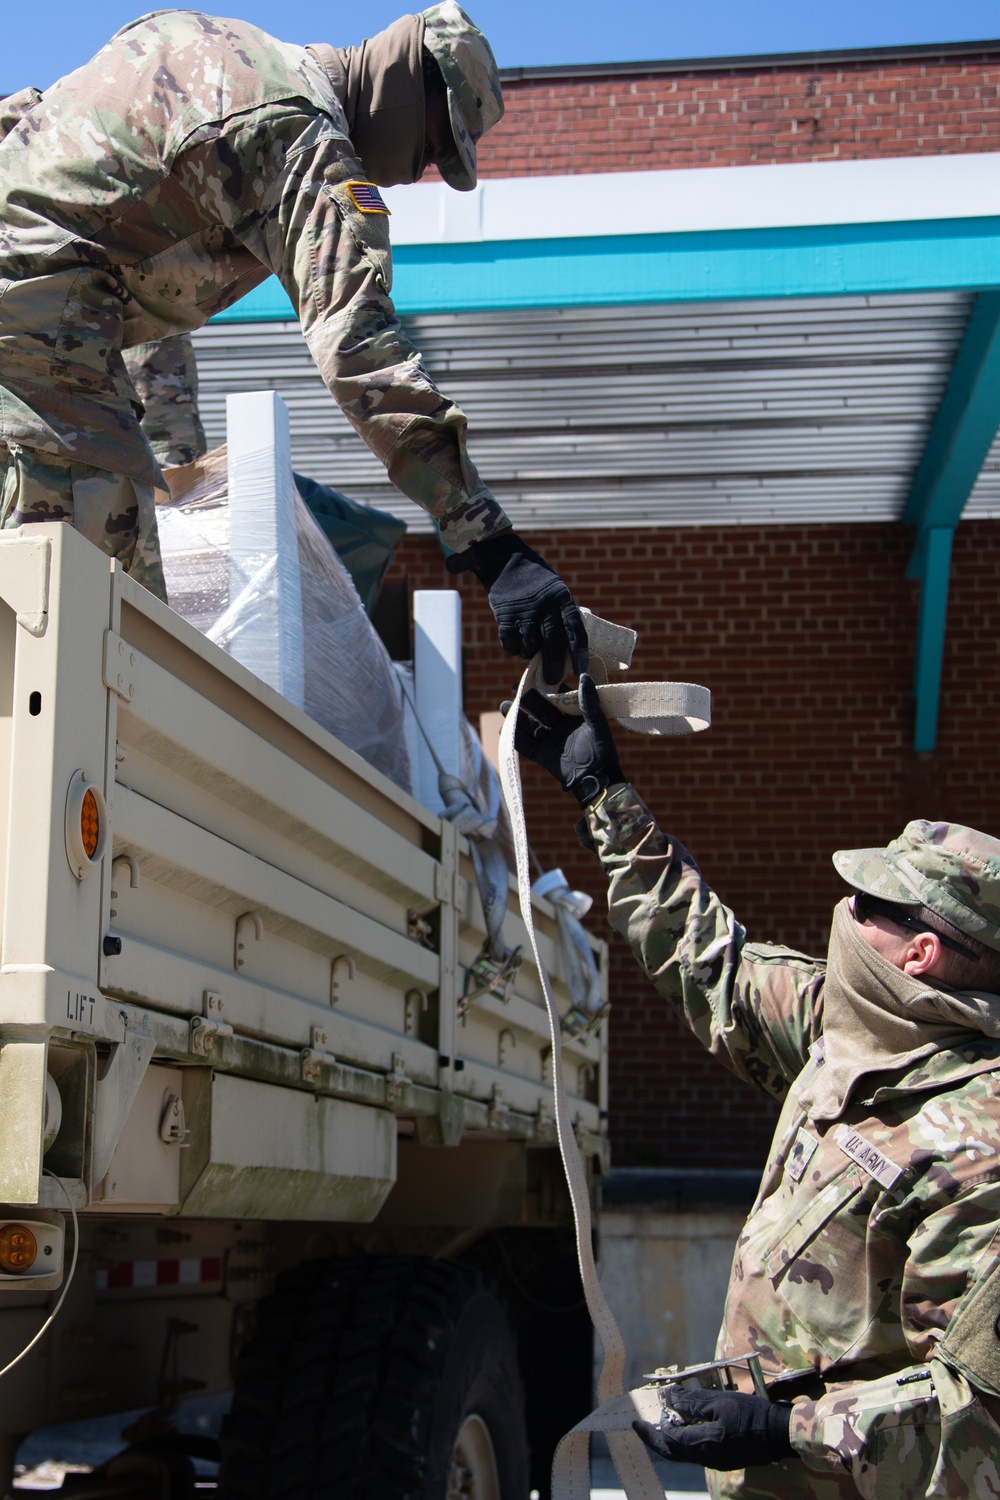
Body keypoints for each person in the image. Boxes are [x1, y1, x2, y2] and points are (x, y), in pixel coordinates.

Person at [509, 676, 1000, 1498]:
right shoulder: (846, 1029)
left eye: (873, 900)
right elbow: (712, 961)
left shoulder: (979, 1152)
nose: (846, 905)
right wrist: (601, 790)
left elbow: (978, 1418)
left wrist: (780, 1429)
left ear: (921, 955)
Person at [0, 5, 587, 681]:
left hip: (43, 300)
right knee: (105, 625)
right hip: (33, 304)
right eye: (432, 146)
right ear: (407, 80)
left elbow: (106, 222)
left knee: (79, 599)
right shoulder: (300, 131)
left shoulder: (216, 44)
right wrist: (489, 542)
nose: (418, 171)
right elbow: (358, 349)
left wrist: (165, 454)